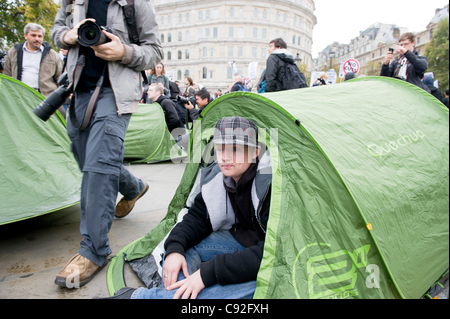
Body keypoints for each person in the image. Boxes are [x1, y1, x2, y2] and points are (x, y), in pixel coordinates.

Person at [51, 0, 163, 288]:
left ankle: (94, 250)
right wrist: (69, 35)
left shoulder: (135, 4)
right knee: (85, 156)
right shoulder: (71, 1)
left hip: (115, 94)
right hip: (78, 91)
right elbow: (56, 31)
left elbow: (154, 52)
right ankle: (132, 186)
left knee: (98, 168)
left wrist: (123, 51)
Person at [106, 116, 272, 299]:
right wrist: (174, 248)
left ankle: (143, 297)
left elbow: (275, 251)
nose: (225, 157)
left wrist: (206, 274)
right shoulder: (219, 176)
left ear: (255, 152)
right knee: (181, 252)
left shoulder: (271, 185)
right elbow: (197, 217)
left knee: (261, 287)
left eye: (235, 148)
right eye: (219, 148)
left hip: (270, 254)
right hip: (239, 239)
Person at [3, 23, 63, 98]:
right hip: (19, 96)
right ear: (25, 36)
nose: (37, 39)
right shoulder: (14, 52)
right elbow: (7, 75)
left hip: (45, 97)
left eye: (40, 36)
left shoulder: (52, 54)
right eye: (33, 35)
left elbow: (60, 77)